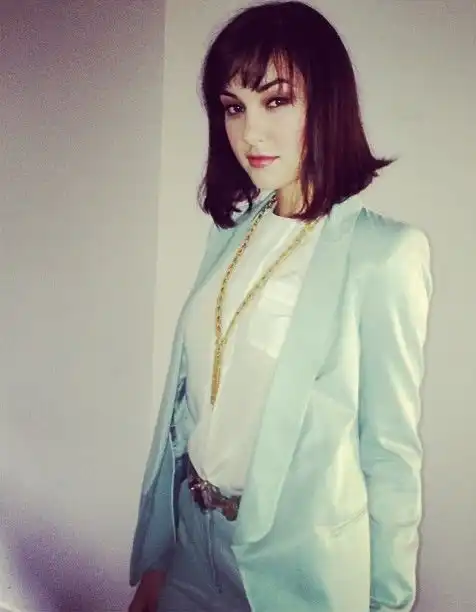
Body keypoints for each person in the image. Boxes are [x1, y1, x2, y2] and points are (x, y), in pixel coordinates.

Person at [127, 1, 433, 611]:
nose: (249, 133)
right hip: (192, 544)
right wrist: (162, 554)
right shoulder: (232, 232)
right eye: (233, 106)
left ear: (328, 102)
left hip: (297, 571)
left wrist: (389, 604)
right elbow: (193, 405)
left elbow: (391, 455)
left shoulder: (384, 254)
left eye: (276, 100)